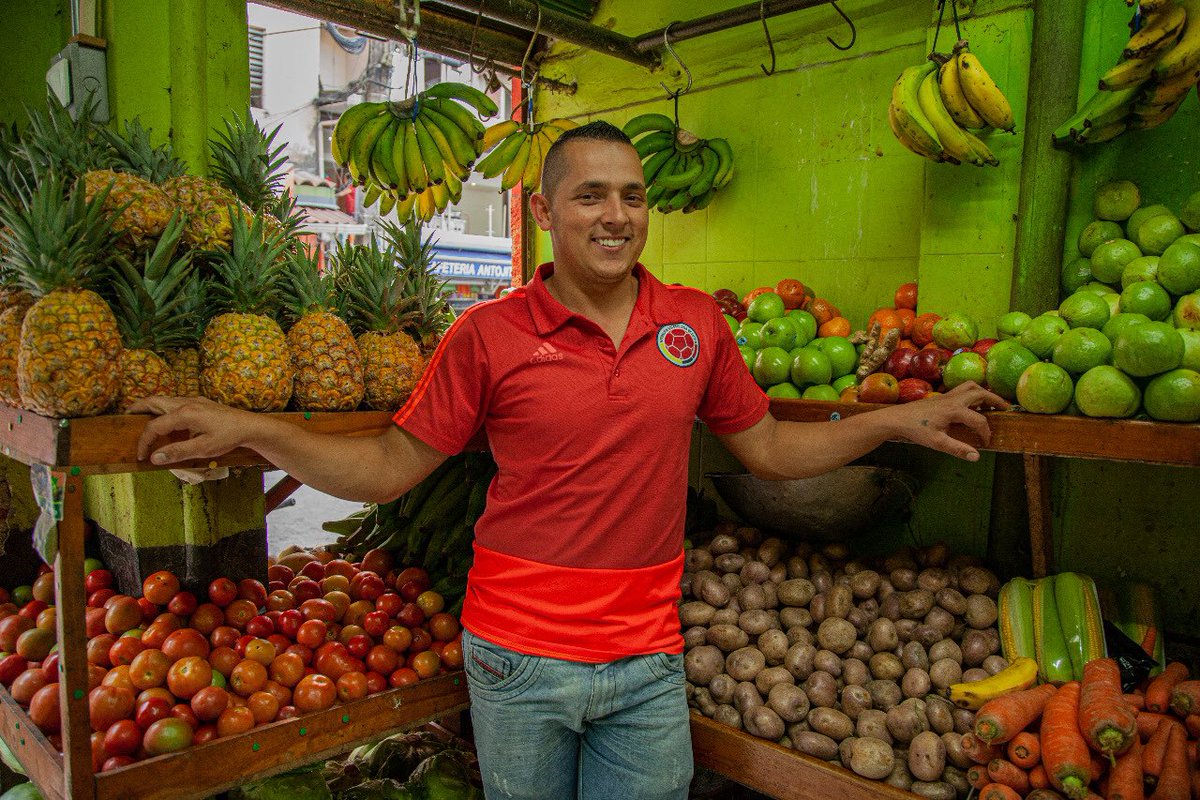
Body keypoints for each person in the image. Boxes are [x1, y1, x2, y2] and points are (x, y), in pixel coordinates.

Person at [131, 120, 1007, 800]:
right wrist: (253, 428)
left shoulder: (694, 324)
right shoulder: (489, 335)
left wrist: (896, 420)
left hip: (648, 660)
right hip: (519, 657)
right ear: (546, 213)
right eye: (591, 196)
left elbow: (773, 449)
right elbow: (390, 465)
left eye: (631, 196)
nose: (617, 215)